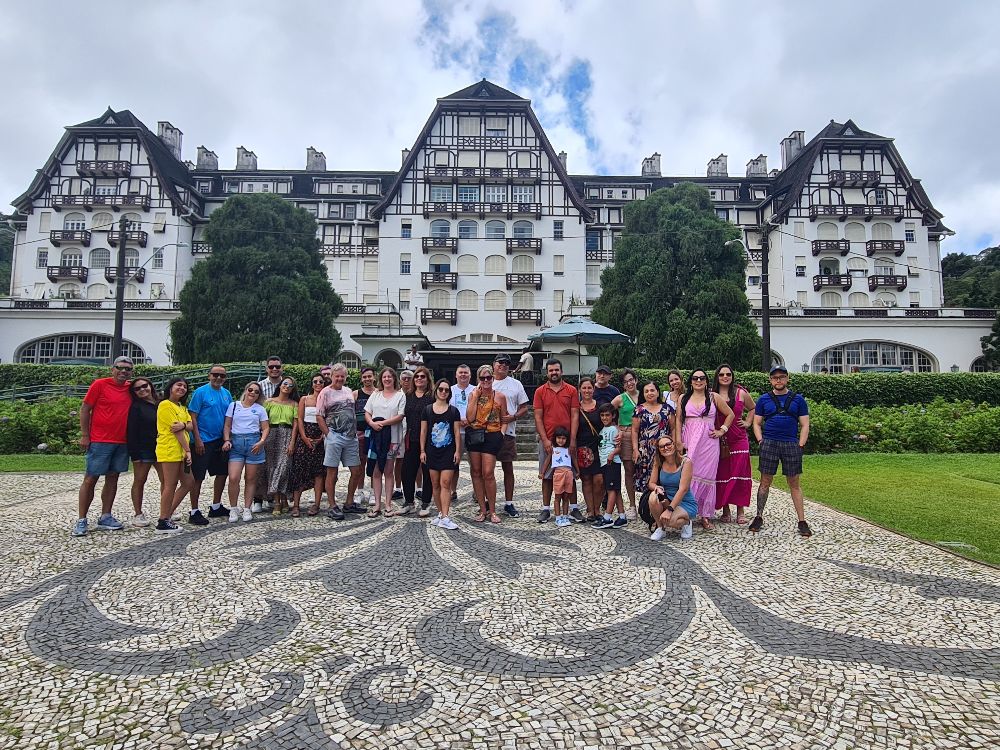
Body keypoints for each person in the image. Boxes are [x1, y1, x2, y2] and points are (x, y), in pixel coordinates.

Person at [72, 356, 133, 537]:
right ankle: (82, 519)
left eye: (128, 369)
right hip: (100, 440)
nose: (123, 371)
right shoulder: (100, 385)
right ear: (112, 369)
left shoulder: (131, 388)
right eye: (120, 368)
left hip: (122, 441)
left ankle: (105, 515)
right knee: (90, 479)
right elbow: (85, 409)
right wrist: (85, 435)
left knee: (113, 479)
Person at [751, 366, 812, 537]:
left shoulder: (798, 400)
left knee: (794, 483)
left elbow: (805, 424)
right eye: (775, 377)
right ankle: (758, 515)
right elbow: (756, 422)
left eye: (782, 377)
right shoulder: (764, 400)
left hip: (791, 443)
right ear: (770, 380)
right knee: (765, 481)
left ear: (787, 378)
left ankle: (801, 520)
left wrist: (801, 445)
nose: (778, 380)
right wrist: (760, 440)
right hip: (769, 442)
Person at [678, 369, 734, 531]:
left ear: (706, 381)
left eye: (702, 378)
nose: (698, 380)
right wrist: (678, 441)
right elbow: (678, 420)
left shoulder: (713, 397)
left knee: (707, 477)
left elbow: (730, 415)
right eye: (695, 378)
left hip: (709, 443)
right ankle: (687, 512)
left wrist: (722, 430)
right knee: (688, 475)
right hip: (689, 439)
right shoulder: (684, 398)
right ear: (690, 381)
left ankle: (705, 515)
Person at [532, 358, 580, 523]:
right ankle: (546, 509)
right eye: (551, 370)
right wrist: (545, 440)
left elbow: (575, 414)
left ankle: (574, 508)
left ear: (562, 371)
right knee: (547, 476)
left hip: (567, 441)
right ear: (547, 372)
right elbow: (538, 417)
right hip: (548, 439)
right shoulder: (540, 391)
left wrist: (573, 439)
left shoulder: (572, 390)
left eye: (556, 370)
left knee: (570, 474)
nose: (554, 373)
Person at [188, 365, 233, 521]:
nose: (219, 378)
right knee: (198, 476)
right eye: (215, 375)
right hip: (203, 440)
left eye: (222, 376)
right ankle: (194, 510)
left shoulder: (226, 394)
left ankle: (216, 506)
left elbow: (229, 416)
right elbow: (193, 416)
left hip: (220, 440)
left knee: (222, 473)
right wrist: (198, 439)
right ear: (209, 375)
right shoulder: (200, 393)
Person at [316, 363, 360, 521]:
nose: (340, 378)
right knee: (332, 472)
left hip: (350, 437)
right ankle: (332, 505)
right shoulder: (325, 393)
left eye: (342, 376)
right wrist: (328, 434)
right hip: (334, 436)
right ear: (331, 377)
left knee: (356, 471)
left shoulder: (348, 391)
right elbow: (319, 415)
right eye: (337, 376)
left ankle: (349, 502)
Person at [712, 364, 755, 524]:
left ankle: (741, 510)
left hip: (739, 439)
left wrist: (748, 422)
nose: (725, 377)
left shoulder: (741, 393)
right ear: (717, 376)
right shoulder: (712, 394)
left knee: (741, 473)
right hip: (721, 440)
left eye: (728, 374)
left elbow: (753, 408)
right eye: (721, 374)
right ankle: (725, 509)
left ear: (732, 376)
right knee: (723, 474)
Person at [465, 364, 508, 524]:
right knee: (476, 472)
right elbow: (469, 418)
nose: (486, 380)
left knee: (488, 473)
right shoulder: (472, 395)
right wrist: (475, 397)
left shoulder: (500, 396)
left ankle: (492, 510)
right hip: (475, 435)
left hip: (492, 435)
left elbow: (505, 418)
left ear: (493, 378)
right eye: (482, 378)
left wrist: (502, 433)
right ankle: (483, 510)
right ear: (478, 379)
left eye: (488, 377)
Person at [154, 377, 196, 533]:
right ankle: (163, 521)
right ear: (170, 387)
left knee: (188, 482)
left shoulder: (181, 407)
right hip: (170, 449)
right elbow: (175, 429)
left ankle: (166, 514)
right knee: (169, 484)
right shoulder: (165, 405)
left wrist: (185, 425)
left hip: (180, 451)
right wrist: (188, 450)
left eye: (185, 386)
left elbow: (189, 425)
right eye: (179, 385)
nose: (182, 388)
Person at [222, 383, 269, 522]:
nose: (252, 393)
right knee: (233, 477)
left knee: (250, 478)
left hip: (253, 443)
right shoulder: (234, 405)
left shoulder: (260, 409)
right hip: (236, 443)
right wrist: (226, 439)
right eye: (250, 390)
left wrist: (261, 441)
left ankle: (247, 508)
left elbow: (265, 428)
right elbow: (227, 425)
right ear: (246, 390)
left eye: (256, 392)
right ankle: (233, 508)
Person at [420, 378, 462, 529]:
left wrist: (458, 451)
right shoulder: (427, 410)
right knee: (435, 484)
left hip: (448, 451)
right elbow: (423, 431)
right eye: (441, 389)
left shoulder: (453, 411)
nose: (443, 392)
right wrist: (422, 450)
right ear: (436, 391)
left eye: (446, 390)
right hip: (432, 451)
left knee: (446, 483)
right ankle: (439, 513)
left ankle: (445, 515)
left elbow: (457, 433)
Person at [364, 367, 407, 516]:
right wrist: (372, 423)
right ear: (381, 379)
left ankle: (388, 504)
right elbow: (367, 412)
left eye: (390, 377)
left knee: (389, 470)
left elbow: (400, 415)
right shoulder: (376, 394)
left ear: (394, 379)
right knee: (376, 470)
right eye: (384, 377)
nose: (387, 379)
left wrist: (383, 423)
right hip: (375, 437)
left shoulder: (400, 395)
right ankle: (377, 504)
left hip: (392, 439)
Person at [491, 352, 529, 518]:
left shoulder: (516, 384)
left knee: (508, 467)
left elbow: (524, 407)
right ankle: (487, 500)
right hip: (488, 431)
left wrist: (513, 416)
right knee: (487, 469)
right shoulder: (487, 382)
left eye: (506, 363)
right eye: (500, 362)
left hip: (509, 430)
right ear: (494, 364)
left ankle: (509, 502)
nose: (503, 365)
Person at [643, 435, 697, 542]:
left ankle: (687, 522)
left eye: (668, 444)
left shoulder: (686, 462)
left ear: (673, 445)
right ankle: (660, 528)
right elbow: (651, 483)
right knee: (653, 496)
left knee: (671, 522)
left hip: (684, 501)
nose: (666, 448)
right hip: (666, 498)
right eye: (662, 446)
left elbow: (683, 489)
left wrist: (669, 510)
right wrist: (657, 488)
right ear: (659, 450)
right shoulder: (659, 462)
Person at [125, 376, 162, 528]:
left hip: (161, 447)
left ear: (150, 386)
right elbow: (131, 431)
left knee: (167, 480)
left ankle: (166, 510)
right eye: (137, 388)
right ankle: (138, 513)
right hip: (144, 449)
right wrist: (135, 454)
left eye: (144, 386)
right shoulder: (136, 407)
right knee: (140, 480)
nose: (142, 390)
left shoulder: (161, 403)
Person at [289, 372, 327, 517]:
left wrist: (322, 437)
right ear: (312, 384)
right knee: (298, 470)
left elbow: (328, 418)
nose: (318, 384)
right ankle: (296, 505)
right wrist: (304, 437)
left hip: (320, 438)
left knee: (318, 473)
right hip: (304, 437)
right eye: (315, 381)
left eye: (321, 382)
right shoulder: (304, 399)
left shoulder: (326, 399)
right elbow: (299, 419)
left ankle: (316, 504)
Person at [631, 381, 674, 502]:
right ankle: (649, 506)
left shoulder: (667, 409)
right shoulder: (639, 410)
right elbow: (634, 431)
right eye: (646, 391)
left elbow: (673, 428)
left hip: (664, 450)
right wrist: (635, 450)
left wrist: (675, 446)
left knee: (664, 477)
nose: (650, 393)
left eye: (652, 390)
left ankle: (666, 504)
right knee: (647, 480)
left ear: (657, 391)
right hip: (645, 451)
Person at [400, 366, 434, 516]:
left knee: (427, 472)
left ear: (427, 380)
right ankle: (409, 502)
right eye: (417, 377)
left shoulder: (432, 397)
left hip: (429, 440)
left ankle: (426, 502)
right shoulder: (408, 396)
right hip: (411, 438)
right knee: (407, 471)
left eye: (423, 376)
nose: (419, 379)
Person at [263, 377, 298, 515]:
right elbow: (263, 420)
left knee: (284, 467)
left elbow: (295, 425)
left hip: (287, 434)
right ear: (280, 385)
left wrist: (292, 442)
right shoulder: (269, 402)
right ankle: (279, 501)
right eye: (285, 383)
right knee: (272, 467)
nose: (287, 386)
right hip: (272, 435)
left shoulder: (294, 404)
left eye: (290, 385)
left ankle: (283, 498)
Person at [611, 368, 640, 520]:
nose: (629, 383)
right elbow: (607, 412)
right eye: (626, 381)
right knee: (629, 469)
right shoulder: (621, 398)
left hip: (645, 435)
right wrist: (617, 428)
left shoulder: (645, 394)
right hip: (627, 434)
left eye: (631, 380)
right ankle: (632, 505)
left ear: (636, 380)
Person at [576, 377, 605, 522]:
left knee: (599, 480)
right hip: (582, 447)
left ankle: (597, 508)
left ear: (594, 389)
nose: (587, 391)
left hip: (598, 447)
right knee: (586, 479)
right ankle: (590, 509)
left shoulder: (600, 406)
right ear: (580, 390)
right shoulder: (576, 407)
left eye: (589, 388)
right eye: (584, 388)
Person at [594, 403, 626, 528]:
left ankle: (607, 517)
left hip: (611, 462)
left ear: (613, 416)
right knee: (616, 490)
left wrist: (612, 454)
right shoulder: (603, 429)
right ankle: (622, 516)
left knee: (611, 490)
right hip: (605, 462)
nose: (604, 418)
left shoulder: (614, 429)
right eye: (602, 415)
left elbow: (619, 448)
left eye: (607, 415)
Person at [352, 366, 378, 509]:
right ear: (361, 379)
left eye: (370, 376)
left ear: (374, 377)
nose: (367, 379)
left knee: (373, 464)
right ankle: (360, 491)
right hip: (360, 434)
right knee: (360, 464)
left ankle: (374, 492)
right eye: (365, 377)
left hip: (375, 434)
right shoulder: (355, 394)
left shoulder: (379, 393)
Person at [449, 364, 475, 502]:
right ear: (456, 375)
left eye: (466, 372)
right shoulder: (450, 390)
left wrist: (469, 421)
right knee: (454, 463)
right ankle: (453, 490)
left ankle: (477, 491)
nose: (463, 375)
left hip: (473, 431)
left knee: (475, 464)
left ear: (470, 375)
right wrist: (458, 420)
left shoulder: (476, 390)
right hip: (455, 431)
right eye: (461, 373)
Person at [539, 427, 575, 527]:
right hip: (558, 474)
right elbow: (547, 461)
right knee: (558, 496)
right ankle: (558, 517)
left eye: (563, 438)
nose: (561, 440)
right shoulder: (553, 449)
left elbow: (574, 460)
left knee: (566, 496)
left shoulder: (569, 449)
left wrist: (577, 471)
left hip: (568, 473)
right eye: (559, 438)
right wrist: (542, 472)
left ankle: (565, 516)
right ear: (555, 438)